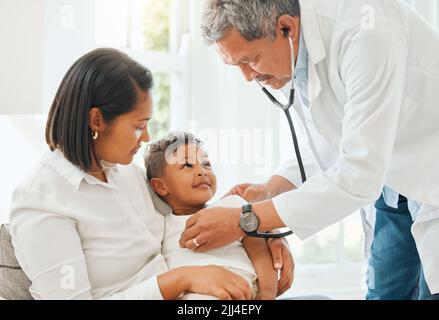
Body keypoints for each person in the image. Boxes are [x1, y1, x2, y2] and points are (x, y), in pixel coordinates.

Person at [179, 0, 439, 300]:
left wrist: (247, 219)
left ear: (285, 27)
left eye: (250, 60)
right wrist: (273, 188)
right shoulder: (300, 52)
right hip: (395, 187)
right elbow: (329, 135)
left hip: (429, 172)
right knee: (384, 294)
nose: (248, 77)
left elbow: (358, 175)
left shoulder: (367, 29)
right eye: (235, 65)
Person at [9, 48, 255, 300]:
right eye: (139, 126)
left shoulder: (125, 171)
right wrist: (181, 278)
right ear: (96, 120)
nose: (147, 137)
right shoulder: (43, 201)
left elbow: (187, 208)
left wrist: (255, 233)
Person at [145, 131, 279, 300]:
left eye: (206, 163)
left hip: (240, 285)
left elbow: (260, 252)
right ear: (161, 186)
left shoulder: (232, 207)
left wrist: (267, 293)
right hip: (188, 293)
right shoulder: (159, 226)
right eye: (187, 165)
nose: (202, 171)